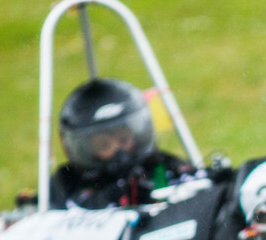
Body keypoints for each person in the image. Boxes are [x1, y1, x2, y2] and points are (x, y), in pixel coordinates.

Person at [49, 78, 194, 209]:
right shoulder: (69, 187)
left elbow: (192, 182)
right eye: (104, 145)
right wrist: (117, 194)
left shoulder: (159, 166)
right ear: (86, 148)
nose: (118, 150)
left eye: (123, 139)